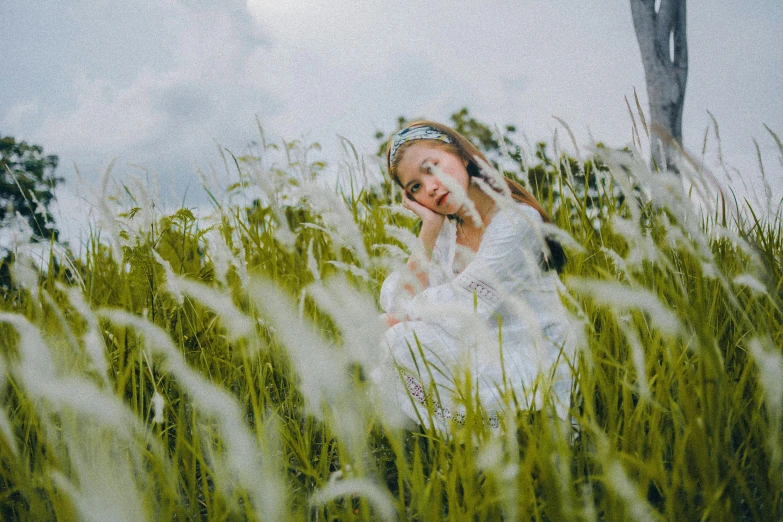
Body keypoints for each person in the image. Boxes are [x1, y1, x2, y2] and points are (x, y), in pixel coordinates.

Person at [373, 121, 574, 431]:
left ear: (463, 157)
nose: (430, 187)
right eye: (415, 187)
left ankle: (489, 436)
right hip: (483, 352)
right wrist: (430, 226)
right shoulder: (449, 233)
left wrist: (398, 318)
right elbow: (400, 299)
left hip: (530, 359)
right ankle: (455, 441)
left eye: (432, 168)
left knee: (399, 339)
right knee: (398, 342)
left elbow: (464, 306)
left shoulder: (516, 221)